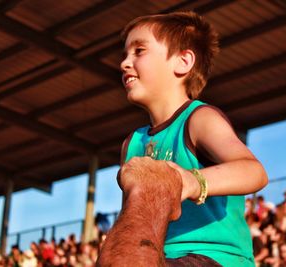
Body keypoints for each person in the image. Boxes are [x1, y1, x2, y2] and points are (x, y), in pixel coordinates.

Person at [98, 11, 268, 267]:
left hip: (214, 257)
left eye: (139, 51)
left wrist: (191, 181)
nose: (124, 62)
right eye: (125, 54)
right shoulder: (132, 143)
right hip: (160, 255)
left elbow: (254, 171)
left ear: (183, 61)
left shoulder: (198, 119)